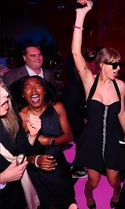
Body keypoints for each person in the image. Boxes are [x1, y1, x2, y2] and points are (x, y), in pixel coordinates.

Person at [71, 0, 125, 209]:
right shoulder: (89, 81)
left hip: (114, 139)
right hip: (92, 140)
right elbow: (76, 53)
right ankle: (87, 196)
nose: (118, 69)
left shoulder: (120, 85)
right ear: (102, 64)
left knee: (114, 180)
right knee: (93, 182)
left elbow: (121, 112)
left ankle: (117, 192)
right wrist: (81, 14)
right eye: (114, 65)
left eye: (119, 65)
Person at [15, 75, 77, 209]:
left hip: (58, 164)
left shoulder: (57, 107)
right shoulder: (21, 117)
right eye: (28, 87)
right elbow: (19, 152)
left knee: (70, 202)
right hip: (36, 172)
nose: (33, 90)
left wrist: (49, 141)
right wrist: (36, 160)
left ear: (44, 90)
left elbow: (69, 136)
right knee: (47, 204)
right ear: (23, 94)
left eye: (38, 86)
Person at [0, 80, 28, 209]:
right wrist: (2, 178)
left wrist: (32, 136)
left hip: (16, 193)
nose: (6, 93)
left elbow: (21, 145)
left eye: (2, 86)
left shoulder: (10, 114)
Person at [62, 56, 87, 178]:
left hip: (75, 117)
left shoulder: (77, 80)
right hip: (74, 118)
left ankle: (77, 166)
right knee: (81, 141)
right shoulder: (74, 83)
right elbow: (72, 107)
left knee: (81, 141)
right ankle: (77, 168)